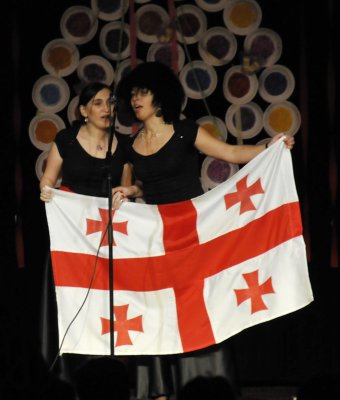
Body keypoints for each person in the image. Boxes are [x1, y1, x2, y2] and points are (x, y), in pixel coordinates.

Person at [111, 61, 295, 400]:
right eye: (133, 93)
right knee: (160, 308)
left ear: (160, 97)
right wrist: (128, 192)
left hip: (193, 232)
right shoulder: (129, 144)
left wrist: (268, 148)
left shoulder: (186, 131)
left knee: (199, 304)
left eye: (144, 92)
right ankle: (160, 389)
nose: (137, 99)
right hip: (155, 237)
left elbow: (231, 152)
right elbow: (132, 186)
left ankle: (208, 385)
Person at [39, 82, 132, 385]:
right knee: (73, 297)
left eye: (110, 103)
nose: (107, 109)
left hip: (110, 236)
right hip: (73, 234)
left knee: (106, 302)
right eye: (99, 103)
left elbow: (131, 186)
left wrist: (126, 193)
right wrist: (45, 189)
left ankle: (109, 373)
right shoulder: (65, 140)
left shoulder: (123, 144)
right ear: (83, 111)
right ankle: (68, 374)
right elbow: (49, 178)